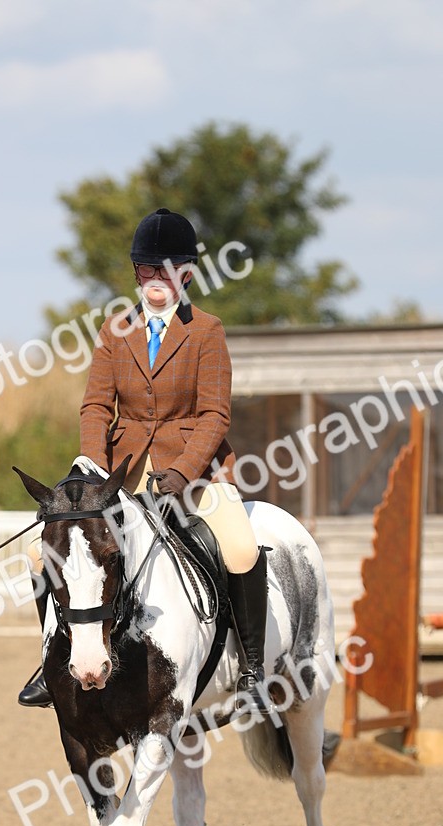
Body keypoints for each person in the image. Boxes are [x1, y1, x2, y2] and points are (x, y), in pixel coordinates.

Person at [18, 207, 269, 713]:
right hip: (120, 474)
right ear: (137, 273)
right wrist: (92, 467)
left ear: (188, 275)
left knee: (240, 549)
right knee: (36, 555)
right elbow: (95, 405)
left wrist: (181, 472)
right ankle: (54, 657)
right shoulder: (115, 331)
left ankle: (254, 669)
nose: (158, 279)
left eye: (169, 269)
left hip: (193, 471)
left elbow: (215, 415)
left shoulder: (207, 332)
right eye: (149, 269)